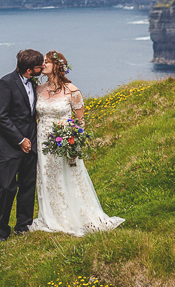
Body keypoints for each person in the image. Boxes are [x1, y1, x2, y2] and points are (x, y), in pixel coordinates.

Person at [29, 51, 124, 236]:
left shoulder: (72, 91)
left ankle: (75, 216)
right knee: (47, 178)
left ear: (57, 66)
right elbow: (33, 118)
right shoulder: (38, 90)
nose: (43, 65)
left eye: (46, 62)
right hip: (43, 141)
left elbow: (80, 121)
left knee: (68, 176)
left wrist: (72, 140)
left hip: (63, 141)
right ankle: (51, 216)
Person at [0, 49, 44, 242]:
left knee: (28, 186)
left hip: (31, 145)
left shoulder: (33, 83)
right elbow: (0, 116)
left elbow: (29, 116)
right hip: (9, 146)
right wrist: (20, 140)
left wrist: (31, 141)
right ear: (29, 69)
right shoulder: (5, 83)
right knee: (6, 188)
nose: (42, 68)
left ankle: (23, 227)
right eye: (39, 66)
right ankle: (2, 231)